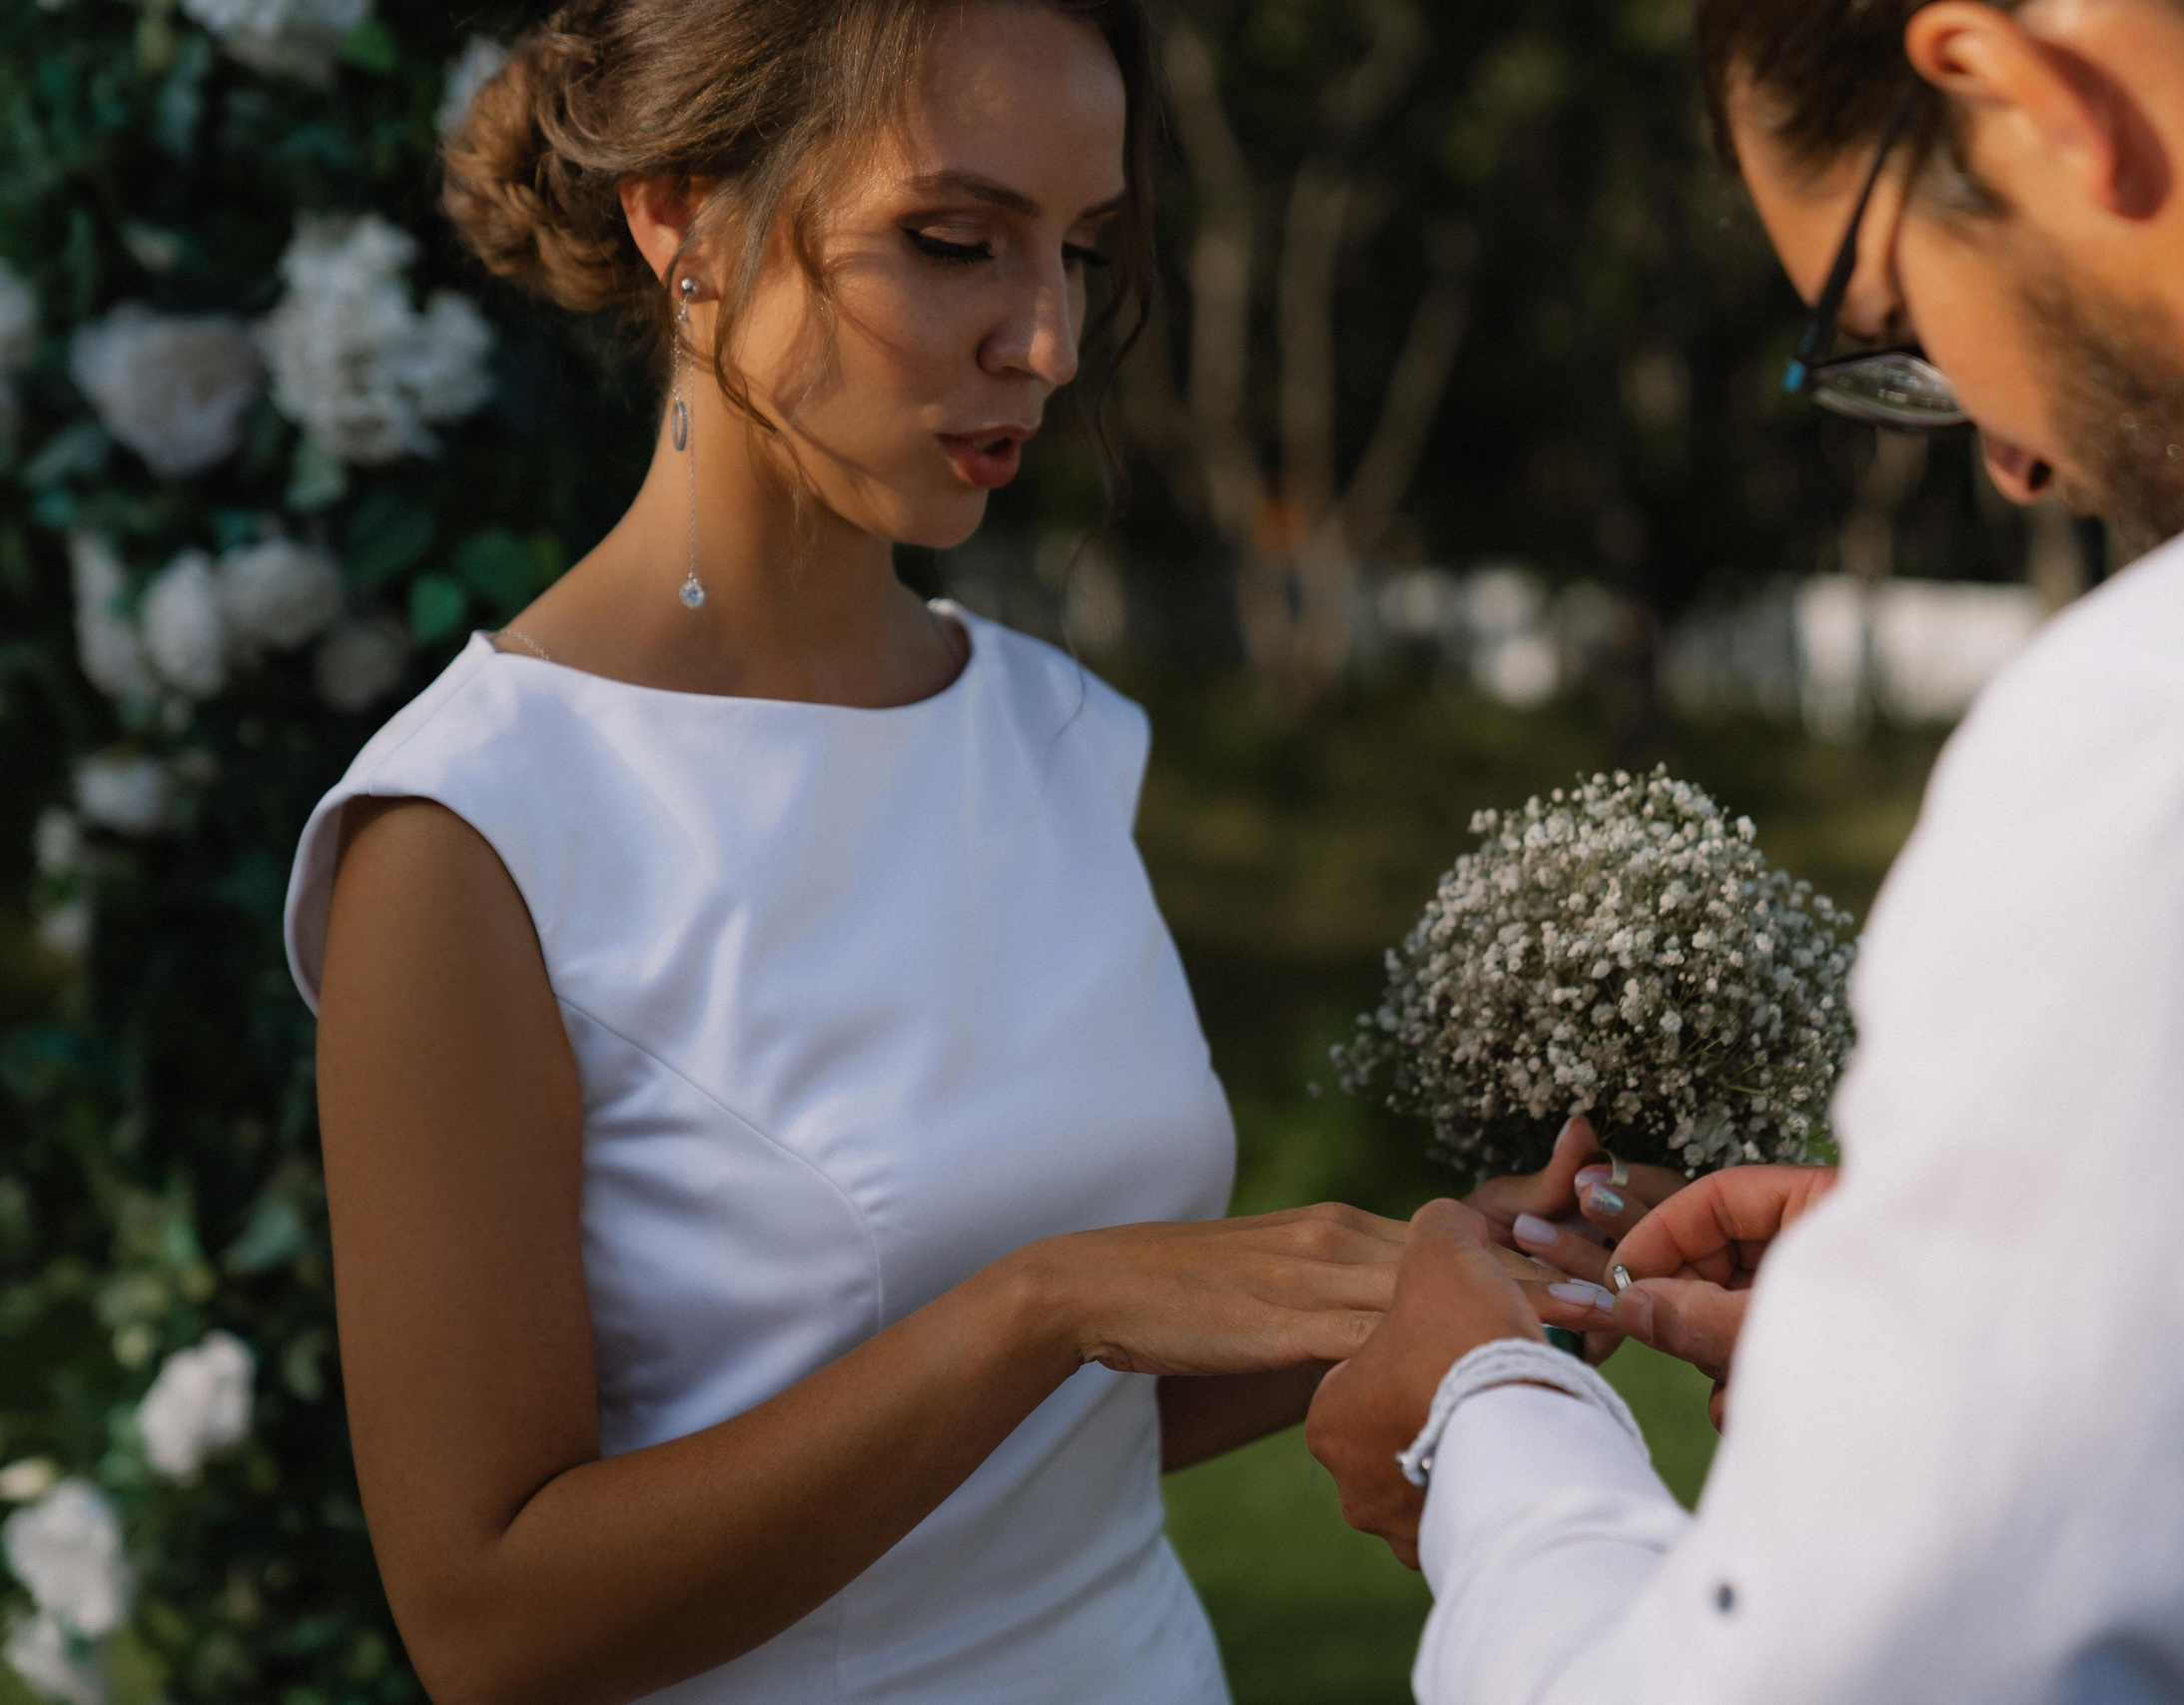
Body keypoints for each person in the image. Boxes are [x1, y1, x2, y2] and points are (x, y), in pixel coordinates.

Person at [284, 4, 1550, 1701]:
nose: (1047, 342)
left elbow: (1051, 1448)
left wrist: (1432, 1273)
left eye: (1083, 252)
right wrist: (1043, 1303)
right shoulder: (472, 837)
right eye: (954, 243)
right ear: (689, 220)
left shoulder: (1051, 736)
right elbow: (489, 1625)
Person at [1308, 0, 2184, 1697]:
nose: (2020, 462)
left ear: (2020, 93)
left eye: (1892, 322)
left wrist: (1496, 1428)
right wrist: (2016, 1305)